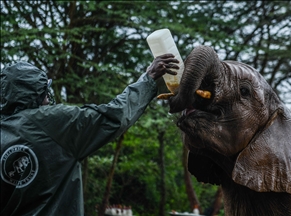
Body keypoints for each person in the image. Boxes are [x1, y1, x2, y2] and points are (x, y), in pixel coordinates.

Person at [0, 54, 179, 215]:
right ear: (35, 94)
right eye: (44, 91)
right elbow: (115, 116)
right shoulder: (53, 123)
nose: (48, 98)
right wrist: (148, 78)